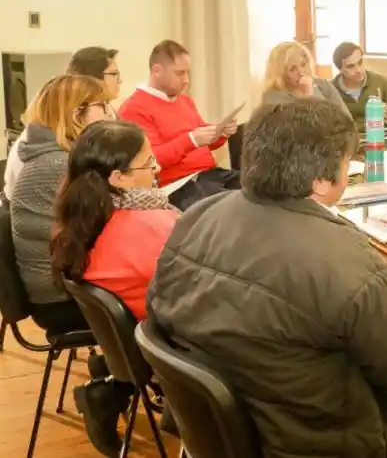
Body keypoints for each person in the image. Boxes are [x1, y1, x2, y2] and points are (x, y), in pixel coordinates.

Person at [147, 99, 387, 458]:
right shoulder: (348, 262)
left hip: (216, 434)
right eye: (347, 161)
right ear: (323, 180)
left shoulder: (197, 216)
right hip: (309, 441)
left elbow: (158, 309)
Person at [50, 120, 177, 456]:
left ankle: (108, 381)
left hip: (139, 344)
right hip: (168, 352)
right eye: (149, 163)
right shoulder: (153, 224)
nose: (158, 167)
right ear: (117, 178)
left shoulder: (85, 218)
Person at [10, 75, 113, 329]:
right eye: (103, 106)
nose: (110, 116)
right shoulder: (60, 165)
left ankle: (118, 363)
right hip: (63, 298)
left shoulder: (53, 156)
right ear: (77, 114)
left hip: (67, 287)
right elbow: (106, 225)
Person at [118, 40, 239, 210]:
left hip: (209, 173)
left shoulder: (184, 100)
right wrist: (191, 140)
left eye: (187, 73)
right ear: (156, 71)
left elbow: (202, 142)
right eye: (179, 73)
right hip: (179, 183)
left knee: (257, 190)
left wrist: (220, 133)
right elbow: (151, 159)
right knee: (228, 209)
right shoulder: (134, 108)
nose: (186, 80)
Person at [4, 46, 121, 200]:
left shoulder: (70, 136)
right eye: (114, 74)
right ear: (77, 112)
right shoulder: (54, 161)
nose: (108, 114)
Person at [261, 41, 352, 119]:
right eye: (293, 69)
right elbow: (301, 130)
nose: (301, 72)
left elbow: (346, 120)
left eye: (303, 64)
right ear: (281, 74)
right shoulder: (272, 98)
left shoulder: (324, 86)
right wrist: (307, 96)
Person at [331, 41, 387, 131]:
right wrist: (370, 123)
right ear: (340, 70)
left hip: (380, 139)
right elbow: (333, 128)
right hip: (348, 142)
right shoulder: (331, 89)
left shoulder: (380, 82)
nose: (358, 70)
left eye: (360, 62)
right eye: (351, 66)